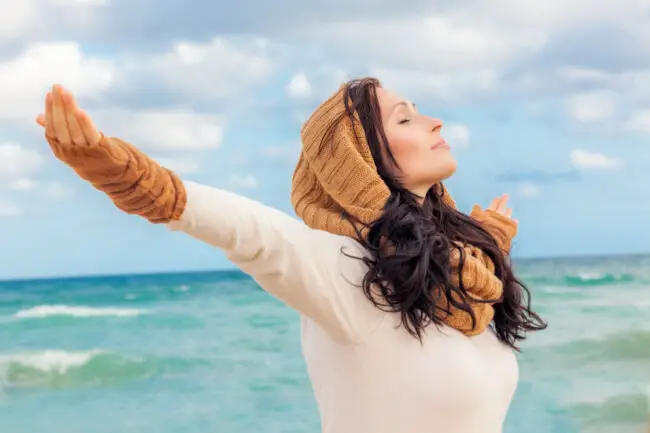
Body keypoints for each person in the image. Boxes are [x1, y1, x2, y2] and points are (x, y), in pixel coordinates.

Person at [36, 78, 546, 433]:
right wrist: (119, 172)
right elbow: (250, 231)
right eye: (406, 118)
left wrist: (487, 248)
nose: (435, 122)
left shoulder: (465, 280)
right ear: (360, 156)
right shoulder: (346, 271)